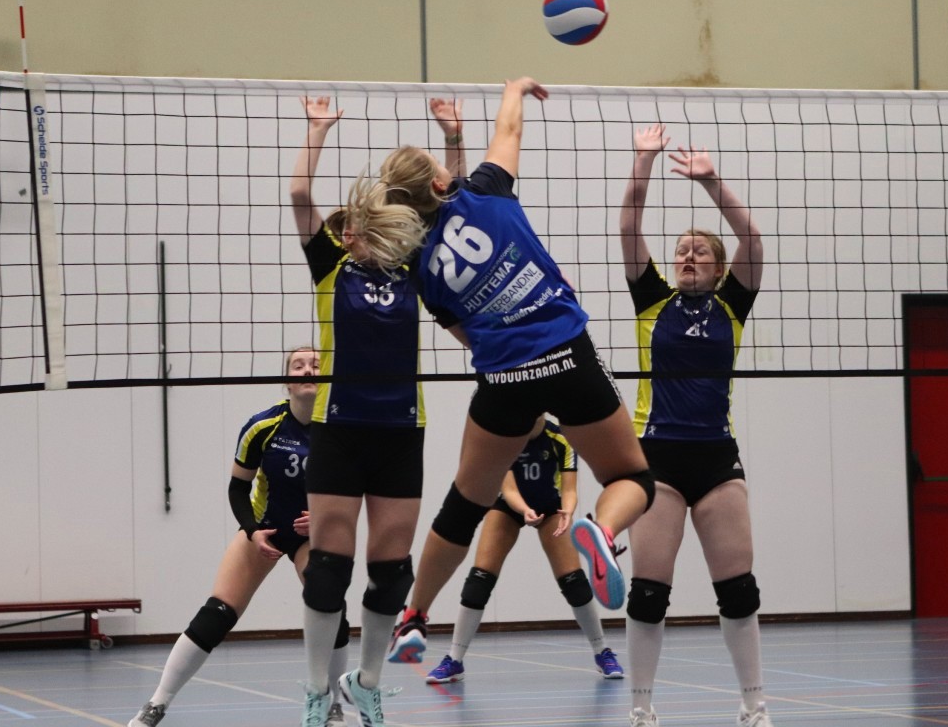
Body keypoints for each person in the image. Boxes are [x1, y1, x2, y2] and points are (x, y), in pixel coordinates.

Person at [359, 77, 653, 664]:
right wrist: (514, 88)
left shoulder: (418, 268)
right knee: (634, 479)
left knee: (465, 504)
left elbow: (468, 335)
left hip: (504, 379)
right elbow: (509, 129)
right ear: (440, 184)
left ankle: (414, 616)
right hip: (567, 354)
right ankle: (602, 530)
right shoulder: (487, 193)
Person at [289, 95, 458, 727]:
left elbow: (451, 201)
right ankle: (316, 691)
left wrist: (452, 137)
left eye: (361, 225)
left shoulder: (414, 270)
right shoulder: (330, 270)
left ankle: (366, 683)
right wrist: (317, 129)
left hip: (400, 431)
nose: (352, 232)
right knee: (328, 571)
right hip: (339, 429)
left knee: (391, 574)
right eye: (347, 227)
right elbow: (299, 194)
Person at [617, 124, 773, 727]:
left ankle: (754, 704)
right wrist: (644, 159)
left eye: (700, 252)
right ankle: (641, 707)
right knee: (648, 593)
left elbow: (751, 236)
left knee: (738, 590)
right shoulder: (652, 300)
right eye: (681, 250)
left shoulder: (733, 304)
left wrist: (711, 181)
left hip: (715, 457)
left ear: (717, 267)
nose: (687, 257)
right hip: (656, 457)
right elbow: (629, 223)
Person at [128, 348, 350, 727]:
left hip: (311, 534)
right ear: (287, 381)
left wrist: (324, 518)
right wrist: (252, 530)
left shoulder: (340, 429)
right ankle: (155, 705)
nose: (307, 370)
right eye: (298, 365)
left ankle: (333, 705)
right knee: (217, 613)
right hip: (264, 526)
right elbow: (237, 489)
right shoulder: (262, 427)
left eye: (315, 364)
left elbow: (353, 490)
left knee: (330, 603)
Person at [421, 414, 624, 683]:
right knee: (480, 579)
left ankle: (602, 651)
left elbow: (569, 489)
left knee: (574, 581)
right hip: (509, 506)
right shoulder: (505, 438)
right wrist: (525, 510)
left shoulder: (560, 438)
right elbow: (509, 490)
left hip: (552, 508)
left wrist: (568, 510)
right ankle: (454, 659)